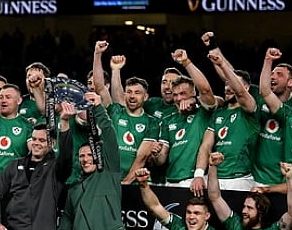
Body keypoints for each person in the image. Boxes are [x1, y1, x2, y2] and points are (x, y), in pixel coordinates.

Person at [55, 92, 131, 230]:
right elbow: (67, 215)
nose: (85, 159)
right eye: (81, 156)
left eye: (89, 155)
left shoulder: (109, 172)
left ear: (98, 157)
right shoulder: (74, 188)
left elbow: (107, 135)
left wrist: (98, 108)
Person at [191, 43, 260, 193]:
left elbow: (240, 93)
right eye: (226, 84)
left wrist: (222, 65)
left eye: (233, 85)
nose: (228, 88)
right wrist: (198, 174)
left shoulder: (250, 110)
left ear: (246, 88)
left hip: (240, 179)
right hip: (214, 177)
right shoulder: (218, 114)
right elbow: (206, 146)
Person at [89, 41, 159, 183]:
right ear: (124, 95)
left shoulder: (152, 122)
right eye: (129, 92)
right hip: (107, 179)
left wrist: (126, 182)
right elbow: (99, 87)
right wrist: (97, 54)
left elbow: (142, 157)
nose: (132, 96)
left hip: (134, 182)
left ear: (145, 97)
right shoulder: (114, 111)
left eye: (137, 93)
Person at [151, 49, 218, 188]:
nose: (179, 98)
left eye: (183, 93)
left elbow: (206, 91)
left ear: (193, 92)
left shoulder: (204, 112)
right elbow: (162, 159)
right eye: (175, 95)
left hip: (195, 179)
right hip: (170, 180)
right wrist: (156, 154)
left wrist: (186, 63)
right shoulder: (168, 120)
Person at [252, 49, 292, 186]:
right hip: (253, 178)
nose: (273, 77)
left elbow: (264, 90)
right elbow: (238, 82)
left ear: (290, 83)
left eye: (279, 74)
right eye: (272, 74)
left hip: (280, 180)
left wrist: (268, 60)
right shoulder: (258, 99)